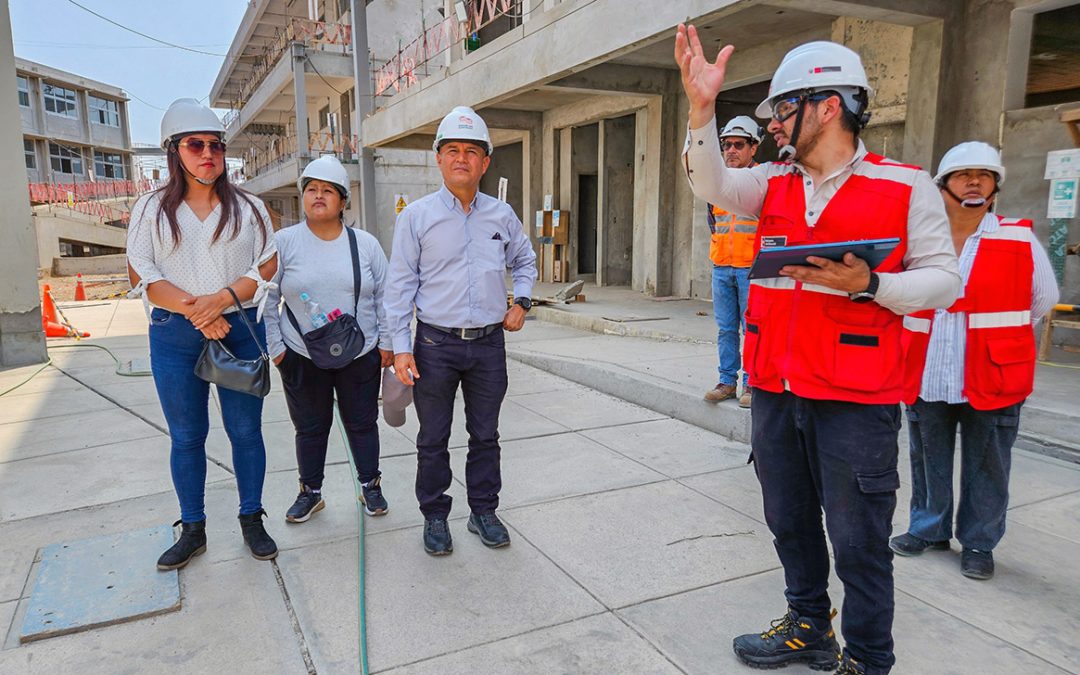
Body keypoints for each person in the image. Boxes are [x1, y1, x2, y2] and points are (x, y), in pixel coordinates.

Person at [676, 30, 962, 674]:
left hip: (855, 400)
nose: (774, 123)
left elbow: (946, 280)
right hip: (777, 389)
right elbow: (711, 184)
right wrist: (701, 109)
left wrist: (873, 284)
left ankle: (867, 657)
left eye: (783, 109)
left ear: (828, 106)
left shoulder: (905, 186)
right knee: (789, 519)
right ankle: (809, 625)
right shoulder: (774, 184)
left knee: (860, 541)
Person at [891, 142, 1058, 580]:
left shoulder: (1016, 237)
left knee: (989, 463)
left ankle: (980, 542)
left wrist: (996, 332)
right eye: (963, 174)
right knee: (928, 456)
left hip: (993, 371)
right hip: (928, 369)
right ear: (941, 186)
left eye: (984, 175)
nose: (974, 182)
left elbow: (1043, 300)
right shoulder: (919, 239)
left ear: (995, 186)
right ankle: (929, 528)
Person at [127, 98, 279, 570]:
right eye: (196, 145)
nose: (208, 154)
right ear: (174, 151)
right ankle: (192, 527)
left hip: (239, 328)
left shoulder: (249, 207)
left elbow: (269, 262)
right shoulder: (151, 209)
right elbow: (140, 270)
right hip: (175, 333)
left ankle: (251, 518)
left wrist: (223, 302)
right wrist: (201, 311)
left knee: (245, 432)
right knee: (188, 435)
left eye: (215, 145)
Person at [383, 106, 537, 556]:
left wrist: (522, 300)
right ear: (439, 158)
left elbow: (524, 261)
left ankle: (483, 511)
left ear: (485, 162)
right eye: (452, 150)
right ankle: (435, 516)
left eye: (471, 151)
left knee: (485, 434)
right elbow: (399, 286)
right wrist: (400, 349)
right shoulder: (416, 217)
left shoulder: (502, 216)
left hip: (488, 346)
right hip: (433, 345)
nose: (462, 159)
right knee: (432, 437)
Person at [264, 155, 394, 524]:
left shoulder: (365, 244)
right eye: (311, 190)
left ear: (342, 201)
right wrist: (277, 351)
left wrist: (386, 343)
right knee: (310, 427)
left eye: (327, 191)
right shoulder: (284, 243)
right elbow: (267, 300)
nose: (318, 196)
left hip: (361, 352)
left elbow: (386, 297)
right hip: (301, 354)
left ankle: (370, 484)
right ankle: (311, 492)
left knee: (362, 423)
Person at [704, 115, 762, 408]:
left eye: (739, 144)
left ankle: (751, 383)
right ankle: (727, 381)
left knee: (752, 327)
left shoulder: (763, 183)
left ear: (754, 147)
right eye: (726, 145)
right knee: (726, 328)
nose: (731, 150)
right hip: (722, 267)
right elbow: (714, 223)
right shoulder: (717, 185)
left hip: (751, 269)